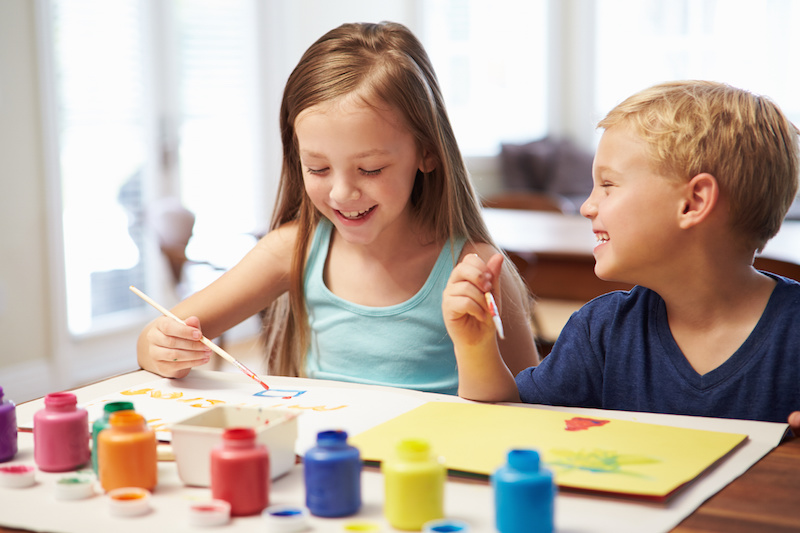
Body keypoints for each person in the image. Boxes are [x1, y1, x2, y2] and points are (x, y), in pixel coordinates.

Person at [137, 21, 538, 394]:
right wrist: (160, 348)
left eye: (370, 169)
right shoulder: (292, 250)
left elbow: (531, 406)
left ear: (428, 153)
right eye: (318, 168)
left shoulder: (475, 270)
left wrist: (478, 345)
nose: (343, 193)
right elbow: (159, 334)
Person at [443, 80, 800, 432]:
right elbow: (510, 424)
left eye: (608, 185)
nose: (586, 206)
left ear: (694, 202)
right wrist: (476, 347)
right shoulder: (601, 331)